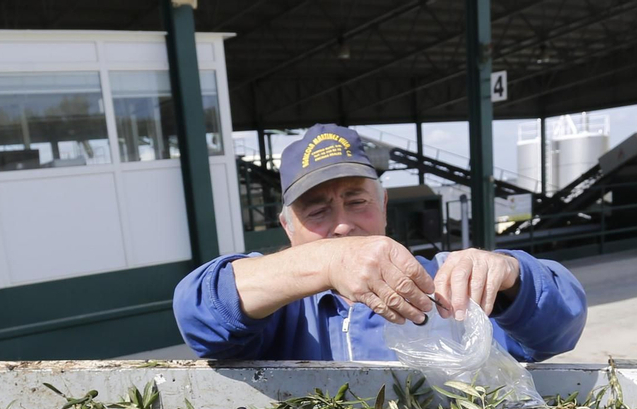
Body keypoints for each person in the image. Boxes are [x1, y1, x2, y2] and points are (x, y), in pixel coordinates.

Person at [173, 123, 587, 361]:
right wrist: (329, 263)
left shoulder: (443, 284)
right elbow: (198, 315)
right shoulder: (279, 309)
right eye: (317, 212)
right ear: (286, 226)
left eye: (357, 202)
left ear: (384, 205)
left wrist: (510, 273)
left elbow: (558, 328)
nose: (342, 226)